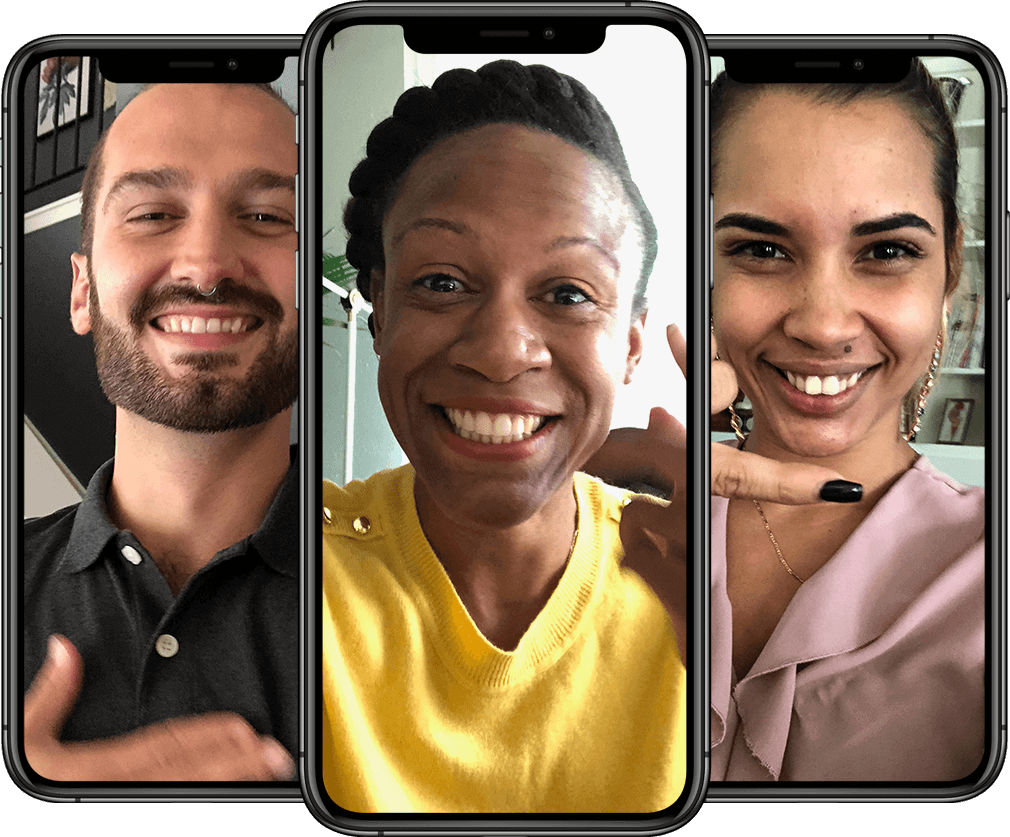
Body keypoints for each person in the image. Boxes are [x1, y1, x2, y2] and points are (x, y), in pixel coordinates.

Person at [321, 60, 687, 813]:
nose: (501, 351)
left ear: (631, 345)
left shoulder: (710, 588)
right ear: (380, 310)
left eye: (568, 293)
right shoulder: (286, 571)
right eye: (443, 282)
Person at [706, 60, 983, 781]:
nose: (823, 325)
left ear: (950, 268)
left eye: (887, 251)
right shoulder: (610, 515)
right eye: (761, 249)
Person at [21, 82, 299, 782]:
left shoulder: (419, 597)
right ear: (82, 290)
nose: (207, 266)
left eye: (266, 216)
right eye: (152, 214)